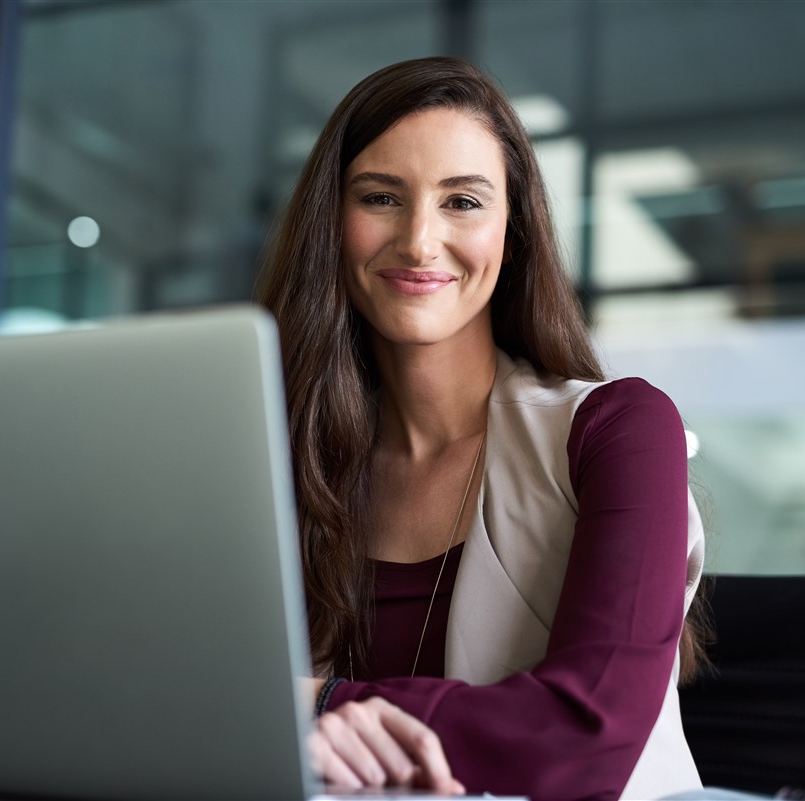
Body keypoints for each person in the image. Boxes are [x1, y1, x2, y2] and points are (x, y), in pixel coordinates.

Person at [255, 57, 707, 801]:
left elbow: (583, 736)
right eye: (379, 196)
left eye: (462, 201)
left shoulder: (620, 428)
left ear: (512, 228)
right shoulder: (287, 455)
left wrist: (319, 703)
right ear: (332, 223)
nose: (420, 241)